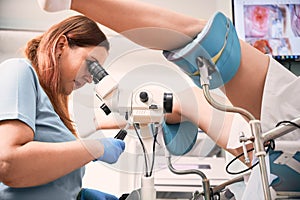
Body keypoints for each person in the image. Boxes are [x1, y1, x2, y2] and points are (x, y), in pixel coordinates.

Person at [0, 15, 125, 200]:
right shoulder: (19, 71)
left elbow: (45, 180)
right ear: (61, 46)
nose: (91, 78)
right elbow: (8, 164)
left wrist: (77, 195)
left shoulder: (53, 111)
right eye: (92, 64)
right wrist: (94, 148)